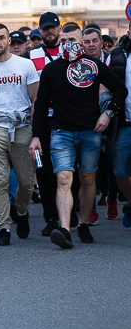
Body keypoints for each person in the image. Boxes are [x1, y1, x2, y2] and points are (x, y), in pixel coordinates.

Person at [31, 23, 126, 248]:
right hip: (61, 131)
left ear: (81, 42)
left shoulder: (93, 65)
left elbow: (121, 89)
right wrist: (35, 136)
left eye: (72, 41)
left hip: (90, 132)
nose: (68, 45)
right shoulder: (51, 69)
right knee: (63, 178)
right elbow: (41, 104)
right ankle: (64, 229)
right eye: (64, 41)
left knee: (87, 178)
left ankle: (83, 223)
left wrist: (108, 113)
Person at [0, 24, 39, 246]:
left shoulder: (25, 65)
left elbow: (35, 101)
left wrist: (34, 130)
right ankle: (4, 228)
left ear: (9, 40)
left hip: (22, 128)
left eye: (1, 38)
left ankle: (21, 211)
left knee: (26, 181)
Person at [24, 12, 62, 236]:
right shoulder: (31, 55)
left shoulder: (70, 52)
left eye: (52, 28)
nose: (49, 31)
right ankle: (51, 218)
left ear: (59, 29)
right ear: (40, 31)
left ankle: (70, 211)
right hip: (42, 119)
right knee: (45, 170)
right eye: (45, 28)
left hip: (68, 118)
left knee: (68, 169)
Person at [109, 21, 131, 227]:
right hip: (124, 123)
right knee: (121, 172)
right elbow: (106, 86)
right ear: (129, 32)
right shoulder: (117, 55)